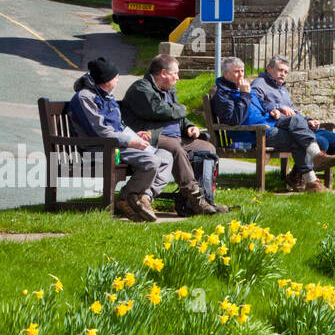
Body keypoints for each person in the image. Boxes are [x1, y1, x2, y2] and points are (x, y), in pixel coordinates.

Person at [67, 56, 173, 222]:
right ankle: (128, 199)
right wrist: (130, 142)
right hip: (100, 151)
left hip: (117, 147)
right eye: (115, 76)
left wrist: (135, 135)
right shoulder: (85, 98)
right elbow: (101, 131)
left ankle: (139, 197)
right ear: (105, 79)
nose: (118, 79)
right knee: (151, 161)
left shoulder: (106, 95)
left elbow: (119, 126)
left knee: (166, 157)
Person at [122, 54, 227, 215]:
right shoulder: (141, 88)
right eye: (175, 74)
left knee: (208, 148)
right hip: (153, 137)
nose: (178, 78)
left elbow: (178, 117)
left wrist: (189, 127)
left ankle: (207, 197)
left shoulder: (170, 91)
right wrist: (182, 109)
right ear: (163, 73)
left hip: (177, 138)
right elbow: (157, 111)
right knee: (175, 148)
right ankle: (195, 198)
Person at [211, 56, 327, 193]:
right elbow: (233, 121)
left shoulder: (243, 88)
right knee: (297, 140)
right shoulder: (223, 94)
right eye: (237, 71)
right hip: (254, 134)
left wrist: (274, 110)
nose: (241, 74)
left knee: (296, 119)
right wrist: (244, 95)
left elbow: (261, 107)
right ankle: (311, 180)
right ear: (225, 74)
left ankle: (317, 156)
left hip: (267, 123)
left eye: (242, 71)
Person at [251, 56, 335, 176]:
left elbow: (294, 111)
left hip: (299, 125)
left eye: (286, 72)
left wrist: (309, 121)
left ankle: (296, 174)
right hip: (280, 126)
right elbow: (257, 104)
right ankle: (302, 175)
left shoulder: (283, 90)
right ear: (269, 69)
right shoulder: (259, 84)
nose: (283, 74)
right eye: (280, 70)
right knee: (322, 143)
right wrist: (278, 107)